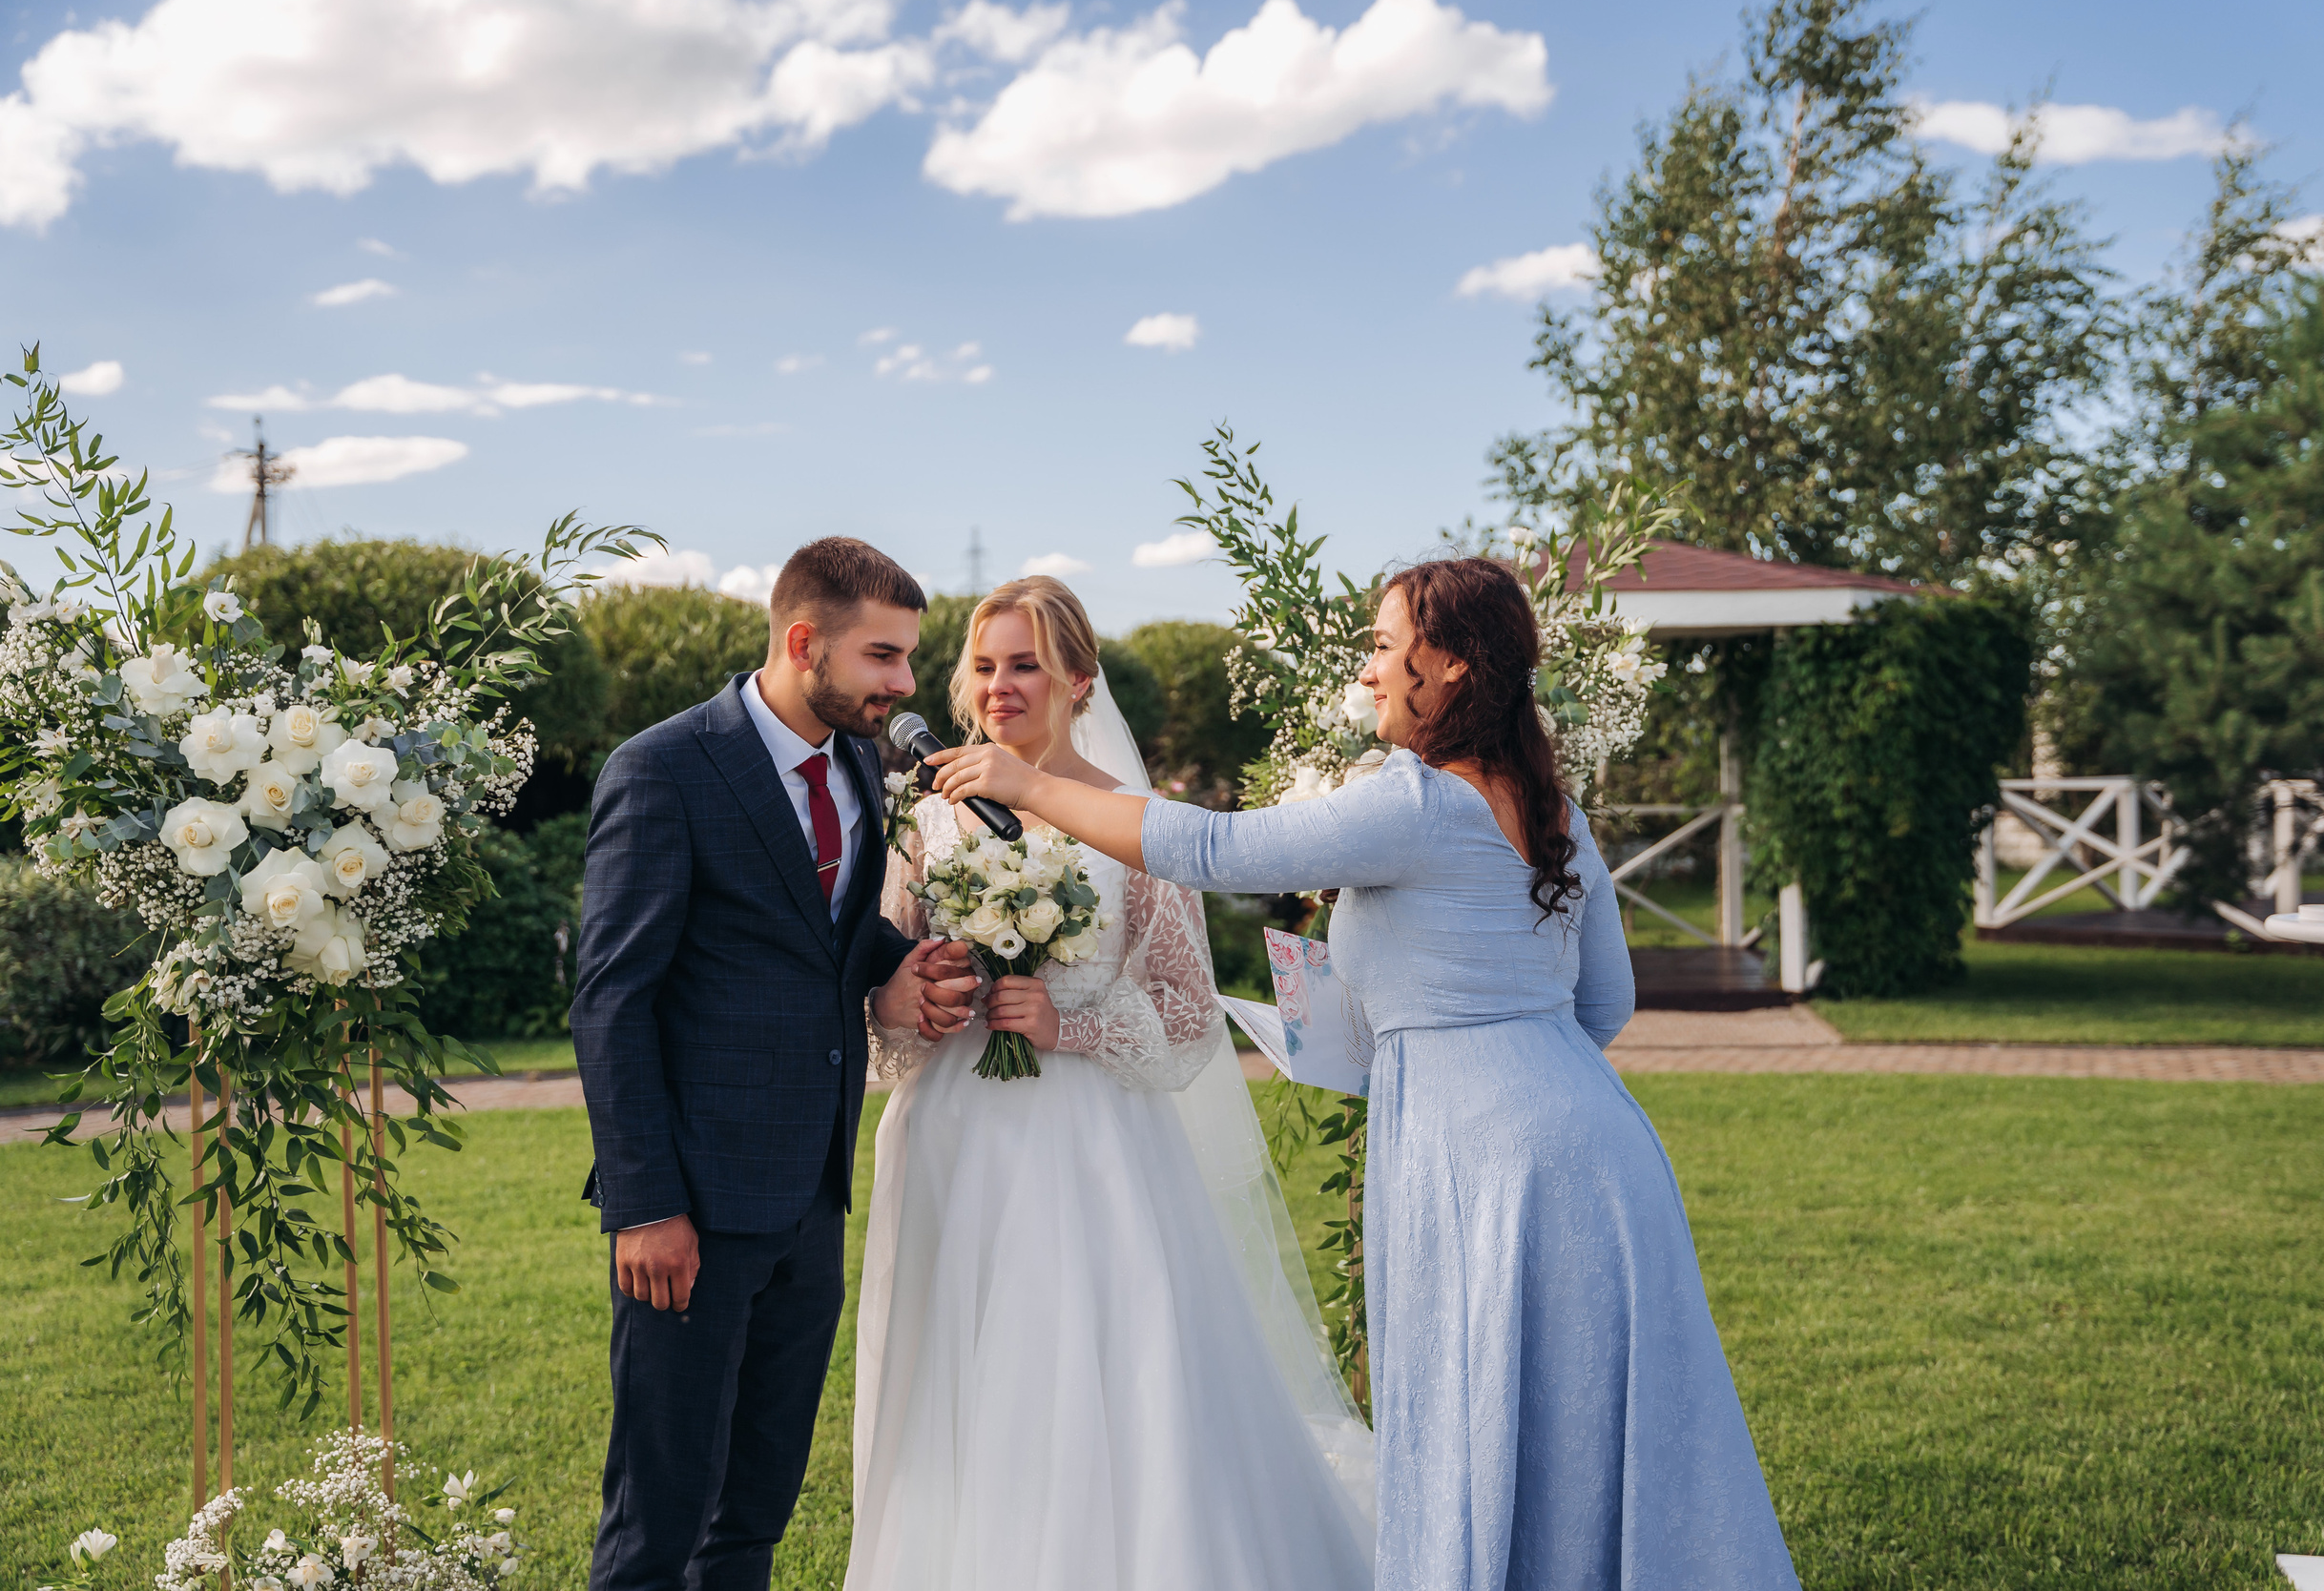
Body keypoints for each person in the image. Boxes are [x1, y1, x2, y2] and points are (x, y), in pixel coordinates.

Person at [932, 556, 1800, 1591]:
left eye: (1388, 647)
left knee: (1472, 1409)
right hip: (1600, 1147)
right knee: (1597, 1435)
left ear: (1456, 668)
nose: (1370, 668)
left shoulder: (1419, 804)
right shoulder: (1551, 806)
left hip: (1478, 1162)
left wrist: (1031, 785)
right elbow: (1604, 1002)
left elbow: (1211, 848)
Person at [848, 576, 1373, 1591]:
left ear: (1078, 681)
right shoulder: (928, 820)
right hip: (950, 1141)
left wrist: (1067, 1023)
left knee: (1089, 1378)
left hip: (1088, 1152)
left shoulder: (1135, 825)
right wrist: (920, 997)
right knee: (957, 1383)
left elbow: (1186, 1015)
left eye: (1026, 665)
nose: (1000, 687)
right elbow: (882, 987)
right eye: (987, 666)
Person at [574, 537, 967, 1591]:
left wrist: (900, 961)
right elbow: (612, 1001)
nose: (905, 683)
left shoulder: (854, 763)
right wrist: (645, 1204)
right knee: (657, 1522)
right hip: (692, 1210)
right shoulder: (661, 768)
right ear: (805, 643)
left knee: (751, 1517)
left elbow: (825, 930)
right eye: (884, 657)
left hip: (811, 1197)